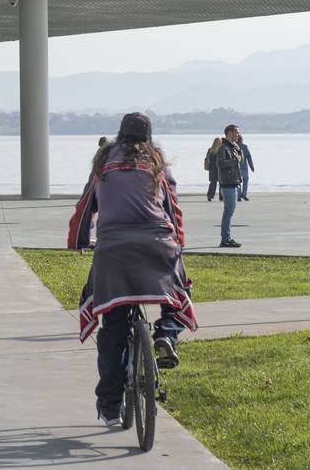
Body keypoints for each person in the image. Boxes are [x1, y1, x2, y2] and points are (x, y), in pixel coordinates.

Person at [68, 112, 196, 428]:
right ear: (148, 137)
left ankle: (111, 408)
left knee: (113, 329)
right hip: (157, 243)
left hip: (114, 250)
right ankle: (166, 334)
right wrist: (177, 242)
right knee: (177, 289)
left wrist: (78, 239)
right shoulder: (157, 163)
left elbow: (85, 207)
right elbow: (173, 208)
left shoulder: (103, 162)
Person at [212, 125, 244, 247]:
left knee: (230, 211)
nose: (238, 135)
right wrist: (235, 160)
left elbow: (241, 160)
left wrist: (239, 152)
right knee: (228, 212)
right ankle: (225, 239)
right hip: (228, 183)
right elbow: (220, 163)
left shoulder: (233, 147)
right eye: (236, 132)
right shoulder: (224, 148)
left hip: (233, 182)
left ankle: (227, 238)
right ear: (230, 133)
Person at [234, 127, 256, 201]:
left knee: (238, 182)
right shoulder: (245, 147)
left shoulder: (233, 146)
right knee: (245, 181)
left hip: (236, 167)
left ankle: (239, 195)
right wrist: (252, 167)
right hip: (244, 167)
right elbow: (249, 157)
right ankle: (244, 194)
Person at [204, 136, 222, 201]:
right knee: (221, 183)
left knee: (213, 183)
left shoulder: (210, 150)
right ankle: (221, 197)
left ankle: (210, 196)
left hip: (212, 169)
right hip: (219, 168)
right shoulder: (221, 150)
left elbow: (207, 159)